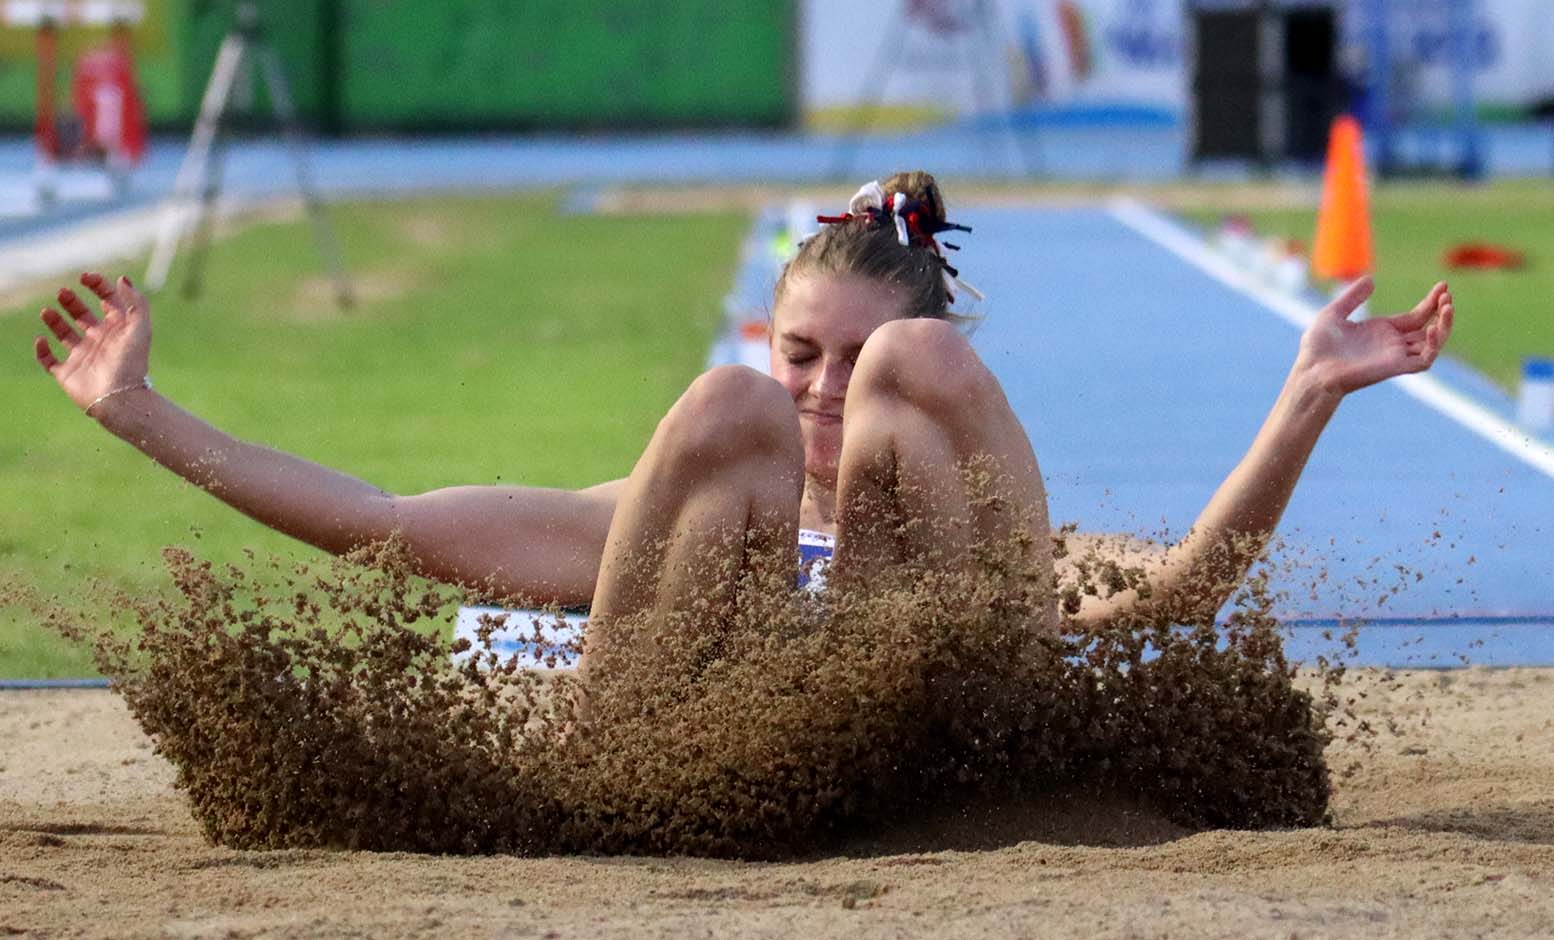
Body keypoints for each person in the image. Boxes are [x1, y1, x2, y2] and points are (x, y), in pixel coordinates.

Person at [31, 171, 1454, 668]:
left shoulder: (976, 538)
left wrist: (1307, 397)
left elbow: (1177, 596)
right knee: (716, 413)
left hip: (928, 737)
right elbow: (384, 528)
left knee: (916, 382)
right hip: (695, 761)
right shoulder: (669, 511)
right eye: (804, 356)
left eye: (854, 366)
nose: (827, 393)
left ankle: (926, 668)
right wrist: (140, 411)